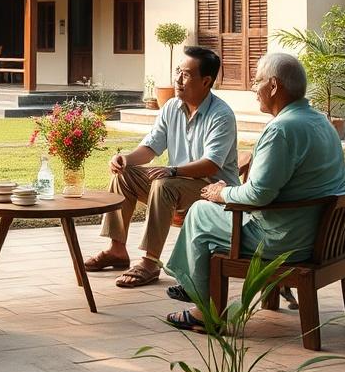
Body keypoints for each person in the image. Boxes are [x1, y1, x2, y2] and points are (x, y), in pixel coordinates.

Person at [164, 52, 345, 331]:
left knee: (201, 212)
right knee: (210, 210)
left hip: (283, 240)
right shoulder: (320, 121)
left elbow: (259, 195)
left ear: (273, 86)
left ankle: (204, 310)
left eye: (257, 81)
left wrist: (221, 193)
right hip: (316, 232)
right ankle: (193, 284)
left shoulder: (281, 130)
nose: (253, 88)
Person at [83, 45, 239, 288]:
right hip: (177, 181)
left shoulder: (221, 115)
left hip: (212, 188)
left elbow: (210, 165)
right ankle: (117, 249)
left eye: (186, 74)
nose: (177, 79)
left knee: (163, 184)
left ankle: (150, 261)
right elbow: (151, 147)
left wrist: (173, 170)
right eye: (177, 71)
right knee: (124, 176)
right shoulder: (171, 108)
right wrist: (126, 158)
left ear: (206, 81)